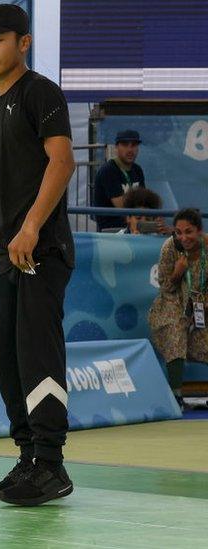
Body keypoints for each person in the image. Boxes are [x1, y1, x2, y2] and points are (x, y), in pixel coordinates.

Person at [0, 4, 76, 507]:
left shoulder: (40, 92)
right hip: (7, 254)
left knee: (36, 355)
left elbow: (62, 161)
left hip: (41, 249)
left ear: (22, 43)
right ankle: (27, 458)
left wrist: (29, 227)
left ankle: (51, 464)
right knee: (7, 358)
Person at [148, 208, 208, 408]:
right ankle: (175, 398)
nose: (183, 237)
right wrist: (177, 273)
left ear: (199, 231)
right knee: (174, 329)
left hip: (202, 304)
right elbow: (165, 286)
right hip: (172, 302)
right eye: (178, 232)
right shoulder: (169, 248)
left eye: (188, 231)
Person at [93, 129, 145, 231]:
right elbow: (121, 206)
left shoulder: (137, 170)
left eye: (134, 145)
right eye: (125, 145)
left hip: (134, 229)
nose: (130, 150)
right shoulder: (108, 170)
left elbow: (145, 203)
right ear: (116, 147)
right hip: (111, 231)